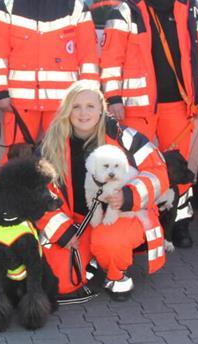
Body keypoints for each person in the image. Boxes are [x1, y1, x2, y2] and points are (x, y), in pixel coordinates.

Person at [100, 0, 198, 248]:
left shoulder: (187, 7)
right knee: (138, 170)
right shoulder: (126, 9)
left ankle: (180, 223)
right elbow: (111, 59)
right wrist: (113, 99)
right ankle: (145, 227)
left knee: (178, 167)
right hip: (137, 109)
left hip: (178, 104)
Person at [36, 80, 169, 303]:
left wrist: (128, 196)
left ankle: (117, 276)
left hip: (122, 216)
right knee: (60, 283)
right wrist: (62, 232)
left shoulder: (124, 137)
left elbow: (159, 172)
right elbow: (38, 193)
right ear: (67, 109)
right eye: (76, 106)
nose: (83, 113)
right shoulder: (51, 144)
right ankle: (92, 256)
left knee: (110, 241)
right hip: (76, 221)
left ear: (101, 108)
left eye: (90, 106)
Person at [0, 0, 98, 157]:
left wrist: (87, 96)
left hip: (62, 104)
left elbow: (88, 57)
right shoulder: (9, 5)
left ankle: (58, 194)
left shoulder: (74, 5)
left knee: (62, 159)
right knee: (15, 162)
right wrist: (0, 93)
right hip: (19, 103)